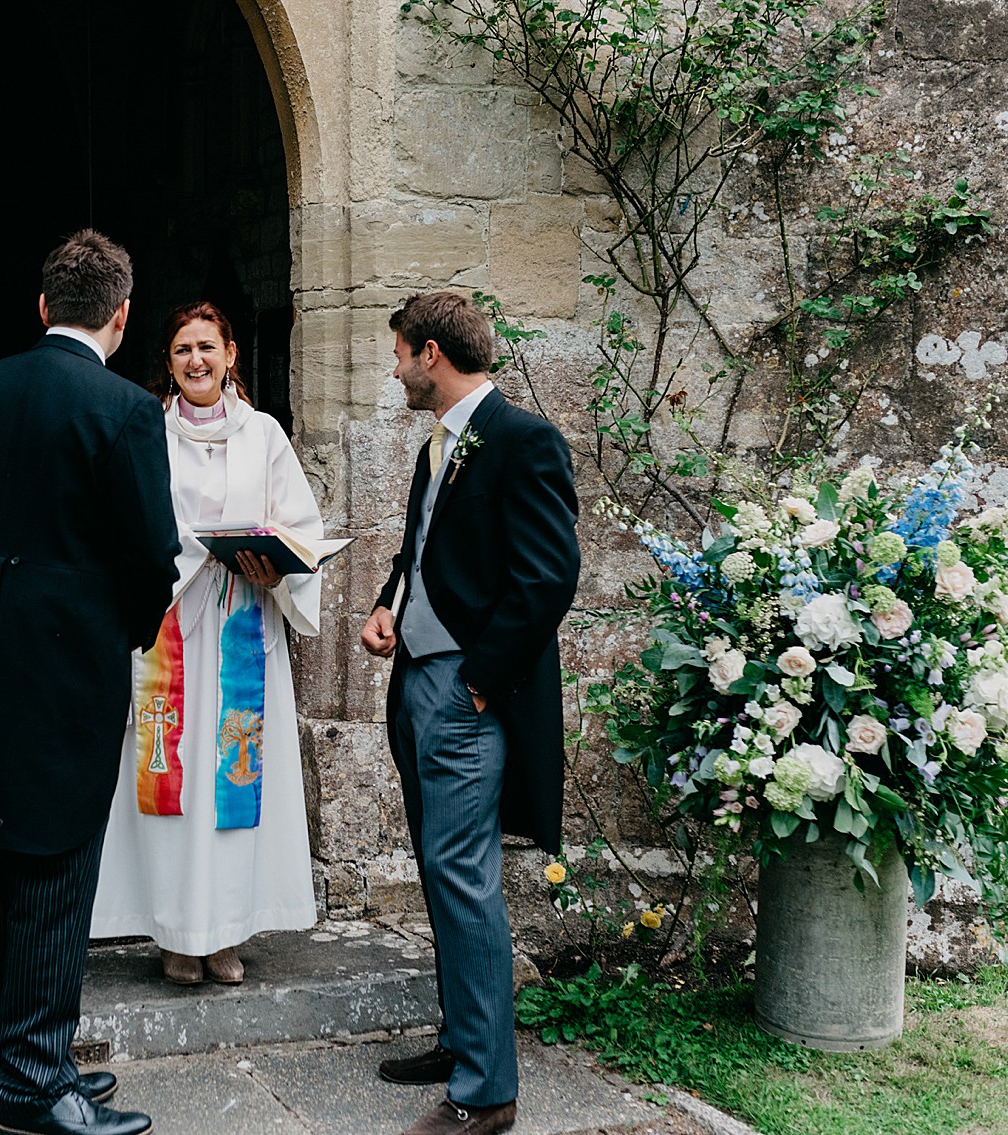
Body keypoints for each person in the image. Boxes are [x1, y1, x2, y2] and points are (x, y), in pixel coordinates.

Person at [0, 230, 181, 1135]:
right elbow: (152, 554)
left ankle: (2, 1066)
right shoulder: (127, 407)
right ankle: (32, 1081)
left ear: (44, 303)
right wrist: (122, 633)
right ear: (123, 315)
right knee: (57, 871)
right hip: (65, 668)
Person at [358, 292, 579, 1135]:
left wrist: (480, 682)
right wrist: (389, 603)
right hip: (416, 681)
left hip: (466, 695)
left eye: (399, 355)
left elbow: (547, 576)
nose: (395, 369)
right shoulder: (435, 451)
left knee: (464, 878)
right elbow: (420, 551)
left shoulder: (523, 440)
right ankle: (462, 1038)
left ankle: (487, 1092)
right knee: (439, 871)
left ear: (431, 354)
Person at [91, 301, 322, 986]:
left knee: (233, 783)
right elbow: (125, 523)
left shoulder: (265, 436)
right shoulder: (146, 432)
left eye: (207, 347)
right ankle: (174, 932)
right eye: (183, 349)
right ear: (168, 362)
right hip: (169, 634)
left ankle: (225, 933)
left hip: (242, 630)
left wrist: (274, 560)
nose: (197, 360)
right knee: (174, 784)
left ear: (230, 356)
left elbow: (300, 522)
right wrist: (197, 551)